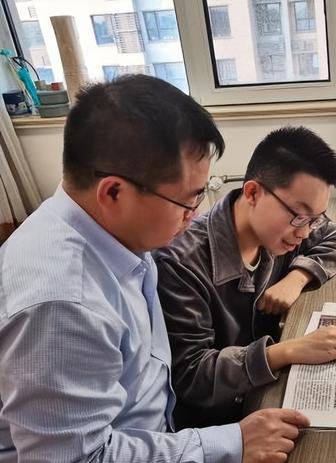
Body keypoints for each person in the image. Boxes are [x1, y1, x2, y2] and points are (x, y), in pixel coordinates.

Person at [0, 75, 308, 463]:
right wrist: (231, 442)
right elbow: (80, 458)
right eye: (187, 201)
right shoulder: (62, 304)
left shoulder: (115, 235)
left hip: (162, 432)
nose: (194, 214)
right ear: (114, 192)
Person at [154, 127, 336, 428]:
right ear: (253, 193)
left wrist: (298, 277)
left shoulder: (282, 228)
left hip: (266, 391)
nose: (305, 232)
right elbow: (192, 376)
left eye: (314, 218)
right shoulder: (181, 264)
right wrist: (287, 351)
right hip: (220, 425)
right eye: (299, 216)